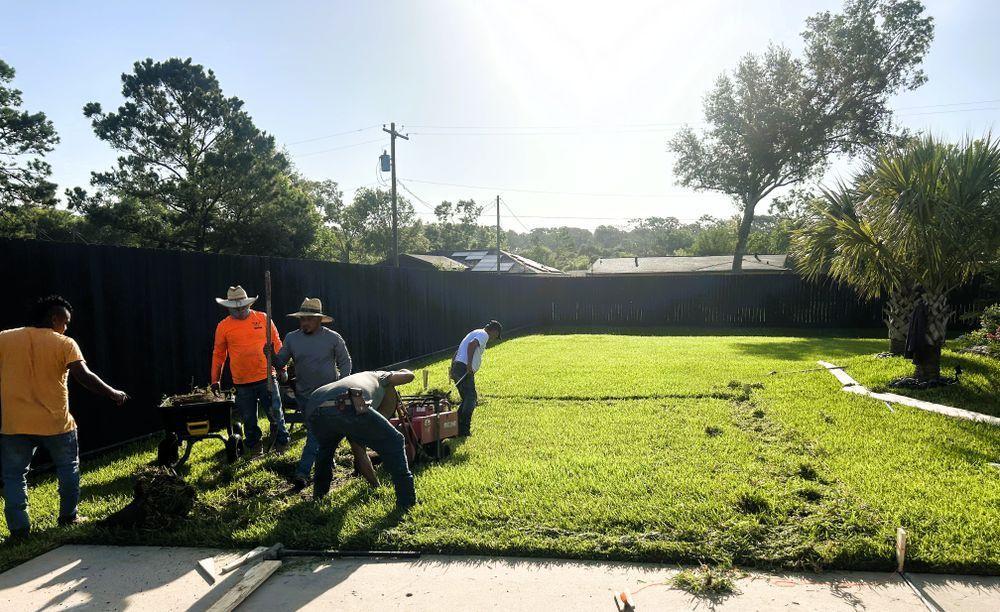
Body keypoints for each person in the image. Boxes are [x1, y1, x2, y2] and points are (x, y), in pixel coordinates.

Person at [0, 295, 129, 538]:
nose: (66, 327)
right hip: (56, 423)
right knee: (68, 468)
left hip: (14, 424)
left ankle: (19, 531)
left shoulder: (4, 339)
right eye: (66, 322)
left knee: (14, 476)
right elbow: (84, 376)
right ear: (54, 318)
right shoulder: (64, 343)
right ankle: (68, 517)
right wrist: (113, 393)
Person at [264, 297, 359, 489]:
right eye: (302, 319)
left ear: (319, 320)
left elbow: (345, 361)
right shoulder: (292, 338)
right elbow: (280, 363)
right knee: (317, 432)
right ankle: (326, 460)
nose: (304, 322)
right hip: (305, 396)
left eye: (308, 319)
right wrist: (271, 354)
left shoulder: (333, 337)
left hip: (328, 395)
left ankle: (303, 472)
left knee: (315, 434)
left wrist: (342, 383)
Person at [306, 370, 417, 510]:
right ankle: (407, 501)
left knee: (326, 448)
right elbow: (409, 376)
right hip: (348, 403)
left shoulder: (355, 378)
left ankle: (319, 496)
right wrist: (394, 373)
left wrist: (376, 486)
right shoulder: (380, 376)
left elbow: (360, 454)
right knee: (396, 440)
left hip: (314, 408)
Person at [211, 285, 289, 455]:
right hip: (242, 381)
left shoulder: (263, 318)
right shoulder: (223, 326)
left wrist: (282, 368)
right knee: (249, 419)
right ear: (228, 307)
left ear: (249, 304)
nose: (239, 310)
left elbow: (277, 344)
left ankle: (282, 443)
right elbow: (218, 354)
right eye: (234, 308)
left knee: (276, 412)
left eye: (242, 306)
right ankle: (255, 447)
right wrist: (215, 379)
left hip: (267, 376)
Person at [449, 320, 502, 436]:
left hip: (458, 367)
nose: (494, 339)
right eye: (496, 336)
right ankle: (464, 430)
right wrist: (469, 364)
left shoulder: (475, 332)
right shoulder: (484, 335)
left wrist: (452, 368)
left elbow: (459, 350)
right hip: (464, 368)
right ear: (495, 331)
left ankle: (454, 428)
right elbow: (472, 345)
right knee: (471, 398)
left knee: (467, 399)